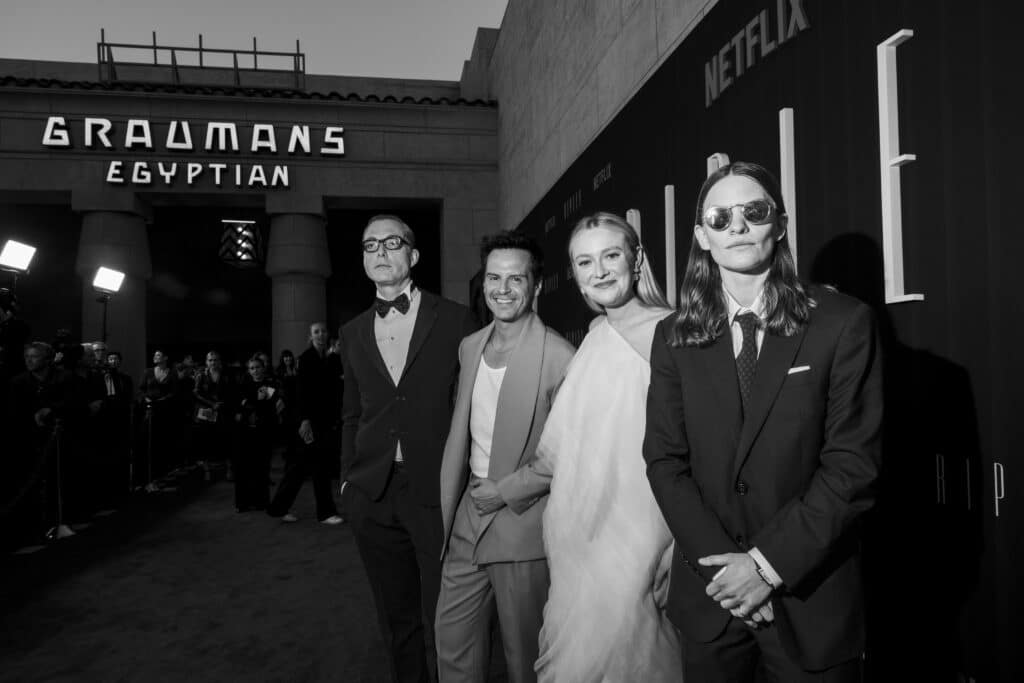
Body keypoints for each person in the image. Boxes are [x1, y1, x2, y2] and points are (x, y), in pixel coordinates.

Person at [643, 162, 882, 682]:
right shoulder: (674, 337)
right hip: (713, 604)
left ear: (779, 223)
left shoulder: (841, 324)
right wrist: (730, 573)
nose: (738, 227)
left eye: (754, 211)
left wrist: (764, 567)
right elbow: (665, 462)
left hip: (810, 602)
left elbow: (851, 467)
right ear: (702, 237)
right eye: (720, 217)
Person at [534, 212, 680, 682]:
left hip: (644, 538)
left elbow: (702, 450)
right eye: (584, 262)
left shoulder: (675, 332)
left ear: (636, 261)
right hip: (578, 540)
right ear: (574, 276)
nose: (598, 271)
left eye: (611, 255)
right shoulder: (595, 338)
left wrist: (680, 545)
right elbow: (563, 453)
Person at [338, 214, 477, 683]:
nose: (379, 251)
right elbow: (351, 412)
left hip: (436, 493)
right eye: (369, 244)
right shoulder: (352, 331)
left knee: (448, 618)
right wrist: (347, 482)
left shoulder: (457, 318)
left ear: (413, 256)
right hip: (372, 494)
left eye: (391, 242)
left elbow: (475, 405)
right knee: (396, 620)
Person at [435, 232, 574, 683]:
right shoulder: (470, 346)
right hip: (467, 517)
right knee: (453, 641)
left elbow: (569, 453)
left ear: (536, 286)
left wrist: (506, 491)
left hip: (522, 523)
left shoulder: (559, 355)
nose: (503, 289)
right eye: (494, 277)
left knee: (525, 658)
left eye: (517, 279)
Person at [267, 322, 344, 525]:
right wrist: (304, 421)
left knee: (312, 467)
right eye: (316, 332)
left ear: (328, 335)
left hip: (325, 422)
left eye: (323, 331)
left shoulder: (331, 359)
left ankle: (282, 508)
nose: (320, 334)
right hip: (310, 422)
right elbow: (302, 393)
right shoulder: (306, 358)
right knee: (302, 467)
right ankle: (322, 512)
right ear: (310, 337)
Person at [234, 355, 282, 512]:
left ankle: (262, 502)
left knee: (262, 468)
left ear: (264, 368)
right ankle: (243, 503)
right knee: (244, 468)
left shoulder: (271, 384)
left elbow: (269, 407)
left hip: (263, 431)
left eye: (258, 367)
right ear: (248, 370)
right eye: (252, 368)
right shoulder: (243, 385)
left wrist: (252, 403)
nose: (255, 370)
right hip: (245, 432)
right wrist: (254, 402)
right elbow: (240, 406)